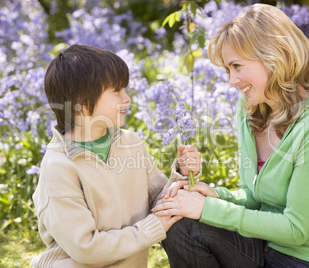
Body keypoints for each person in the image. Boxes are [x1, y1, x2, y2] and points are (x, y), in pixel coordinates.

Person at [152, 3, 309, 268]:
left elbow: (295, 229)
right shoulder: (252, 110)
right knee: (180, 223)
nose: (232, 81)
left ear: (274, 56)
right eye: (228, 69)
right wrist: (215, 195)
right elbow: (256, 196)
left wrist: (205, 209)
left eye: (237, 66)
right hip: (266, 247)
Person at [31, 44, 201, 268]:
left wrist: (182, 175)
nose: (127, 98)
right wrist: (151, 228)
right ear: (81, 102)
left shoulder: (130, 143)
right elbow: (86, 247)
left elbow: (160, 202)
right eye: (116, 91)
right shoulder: (59, 166)